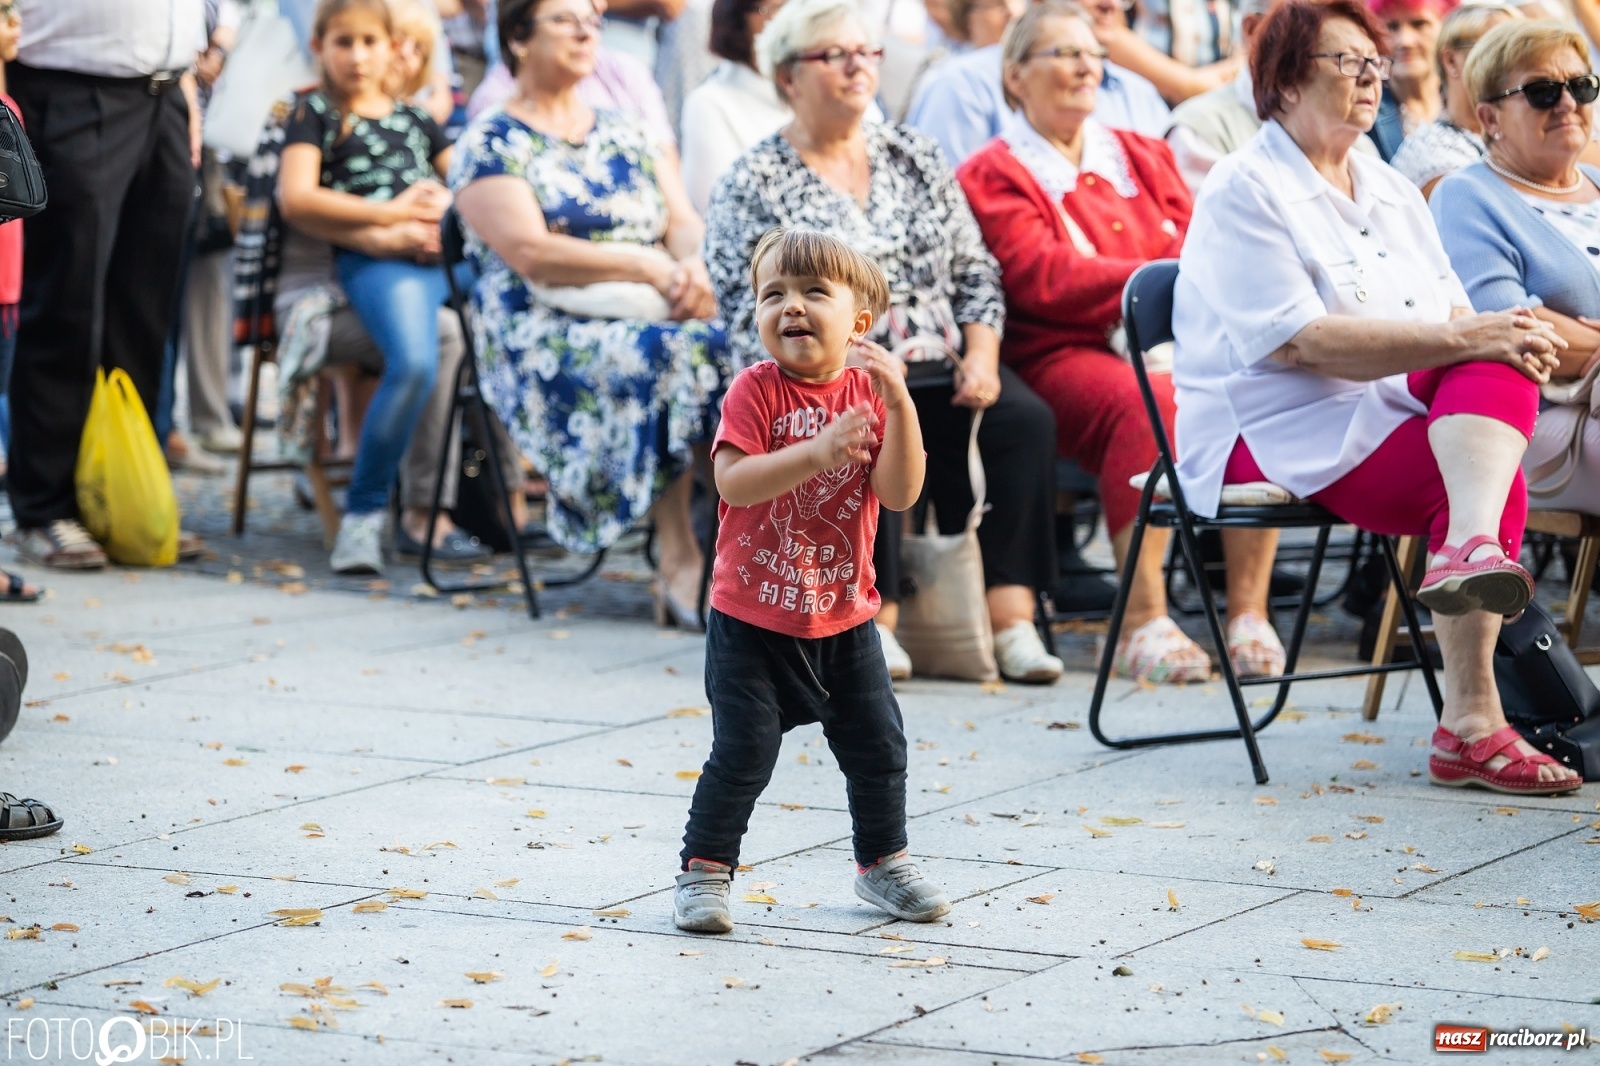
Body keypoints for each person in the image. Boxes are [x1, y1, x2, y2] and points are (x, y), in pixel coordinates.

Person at [1173, 0, 1581, 794]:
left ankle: (1468, 568)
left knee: (1502, 353)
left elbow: (1456, 316)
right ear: (1285, 81)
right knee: (1483, 466)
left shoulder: (1389, 187)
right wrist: (1472, 337)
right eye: (1347, 63)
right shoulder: (1243, 186)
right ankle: (1471, 717)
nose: (1371, 79)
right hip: (1279, 418)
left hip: (1391, 396)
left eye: (1376, 64)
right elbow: (1301, 343)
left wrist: (1497, 335)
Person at [706, 0, 1065, 683]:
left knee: (1023, 418)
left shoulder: (913, 154)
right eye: (833, 55)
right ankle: (878, 618)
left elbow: (974, 269)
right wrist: (827, 370)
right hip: (826, 370)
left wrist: (984, 355)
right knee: (868, 417)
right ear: (788, 77)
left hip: (941, 353)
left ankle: (1011, 619)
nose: (858, 67)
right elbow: (741, 306)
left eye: (867, 53)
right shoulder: (752, 180)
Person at [960, 1, 1283, 682]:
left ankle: (1249, 611)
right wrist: (1160, 275)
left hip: (1175, 342)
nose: (1087, 67)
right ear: (1015, 76)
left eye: (1094, 55)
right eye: (1065, 54)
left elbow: (1203, 242)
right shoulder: (994, 169)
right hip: (1059, 353)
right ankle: (1144, 618)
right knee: (1147, 403)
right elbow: (1041, 275)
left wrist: (1168, 275)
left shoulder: (1142, 152)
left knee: (1258, 391)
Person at [673, 227, 949, 935]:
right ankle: (704, 870)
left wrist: (902, 405)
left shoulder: (868, 393)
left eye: (813, 292)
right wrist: (817, 450)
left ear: (859, 322)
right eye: (774, 295)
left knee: (878, 746)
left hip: (844, 615)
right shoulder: (755, 390)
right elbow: (733, 482)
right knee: (744, 750)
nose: (791, 306)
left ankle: (882, 862)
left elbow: (899, 493)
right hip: (751, 617)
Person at [450, 0, 728, 624]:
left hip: (648, 306)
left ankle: (739, 552)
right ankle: (681, 557)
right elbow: (531, 253)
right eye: (565, 19)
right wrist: (650, 267)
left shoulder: (625, 128)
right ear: (518, 39)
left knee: (739, 347)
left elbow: (681, 222)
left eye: (594, 21)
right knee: (672, 353)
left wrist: (694, 268)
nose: (585, 31)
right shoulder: (491, 138)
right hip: (539, 326)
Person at [4, 0, 207, 571]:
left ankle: (120, 496)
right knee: (66, 304)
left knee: (144, 313)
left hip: (165, 91)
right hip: (68, 85)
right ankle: (44, 506)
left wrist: (185, 79)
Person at [278, 0, 461, 574]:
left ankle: (463, 510)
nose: (358, 56)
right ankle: (364, 516)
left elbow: (470, 187)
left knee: (492, 334)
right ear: (320, 47)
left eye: (369, 42)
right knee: (413, 361)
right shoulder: (313, 111)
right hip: (379, 264)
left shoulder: (414, 117)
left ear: (393, 47)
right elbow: (298, 198)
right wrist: (393, 217)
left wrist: (444, 217)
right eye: (343, 42)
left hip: (439, 260)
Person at [1432, 20, 1600, 513]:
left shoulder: (1597, 181)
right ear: (1489, 117)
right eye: (1543, 92)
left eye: (1581, 86)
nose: (1568, 103)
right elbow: (1511, 326)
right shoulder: (1465, 195)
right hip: (1539, 419)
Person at [907, 0, 1171, 166]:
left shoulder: (1140, 93)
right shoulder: (963, 85)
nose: (1110, 4)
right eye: (1068, 54)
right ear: (1015, 79)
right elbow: (950, 217)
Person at [1391, 1, 1519, 194]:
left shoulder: (1518, 137)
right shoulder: (1431, 149)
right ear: (1451, 60)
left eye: (1520, 53)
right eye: (1498, 50)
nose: (1515, 64)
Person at [680, 0, 791, 213]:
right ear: (737, 18)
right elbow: (718, 210)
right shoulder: (708, 104)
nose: (787, 18)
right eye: (774, 8)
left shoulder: (827, 82)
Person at [1367, 0, 1448, 161]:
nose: (1405, 41)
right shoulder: (1364, 118)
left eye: (1419, 24)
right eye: (1391, 27)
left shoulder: (1469, 105)